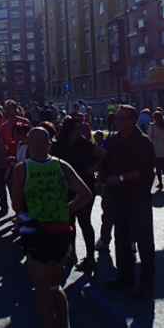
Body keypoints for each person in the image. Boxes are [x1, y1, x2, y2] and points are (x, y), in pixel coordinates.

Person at [12, 127, 92, 328]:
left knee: (42, 293)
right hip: (60, 234)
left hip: (37, 235)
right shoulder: (61, 165)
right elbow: (86, 194)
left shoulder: (22, 169)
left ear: (27, 144)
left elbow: (17, 205)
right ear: (49, 145)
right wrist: (67, 208)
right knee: (56, 285)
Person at [95, 105, 156, 297]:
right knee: (121, 237)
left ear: (133, 120)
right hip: (117, 197)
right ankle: (125, 276)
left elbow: (144, 172)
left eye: (122, 118)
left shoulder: (142, 142)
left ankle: (146, 282)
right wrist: (100, 178)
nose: (118, 121)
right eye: (117, 118)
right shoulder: (114, 141)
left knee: (143, 240)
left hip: (138, 197)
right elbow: (105, 164)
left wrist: (120, 178)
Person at [51, 116, 106, 272]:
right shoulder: (58, 146)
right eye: (76, 129)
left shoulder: (85, 145)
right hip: (65, 188)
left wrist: (93, 168)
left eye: (80, 128)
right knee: (68, 223)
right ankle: (71, 253)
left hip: (85, 187)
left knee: (84, 221)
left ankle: (90, 257)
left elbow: (105, 155)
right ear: (68, 130)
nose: (79, 132)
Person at [148, 111, 164, 190]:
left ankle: (160, 182)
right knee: (162, 165)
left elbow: (149, 137)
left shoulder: (153, 127)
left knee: (158, 167)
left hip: (156, 148)